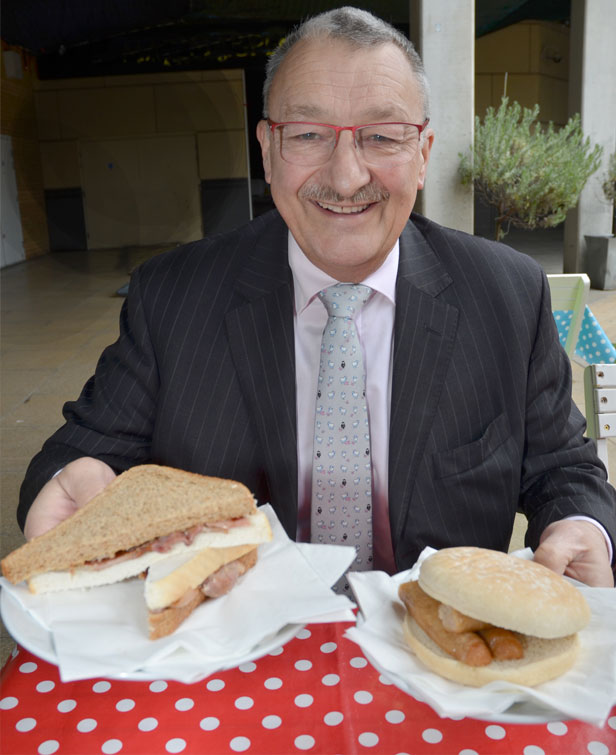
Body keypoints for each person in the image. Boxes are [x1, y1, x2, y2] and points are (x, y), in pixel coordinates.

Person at [18, 7, 615, 587]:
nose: (347, 176)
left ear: (424, 154)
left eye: (382, 136)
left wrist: (580, 524)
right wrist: (70, 488)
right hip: (228, 648)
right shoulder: (172, 296)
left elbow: (562, 467)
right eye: (308, 134)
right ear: (268, 151)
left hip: (437, 653)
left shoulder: (506, 294)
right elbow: (77, 460)